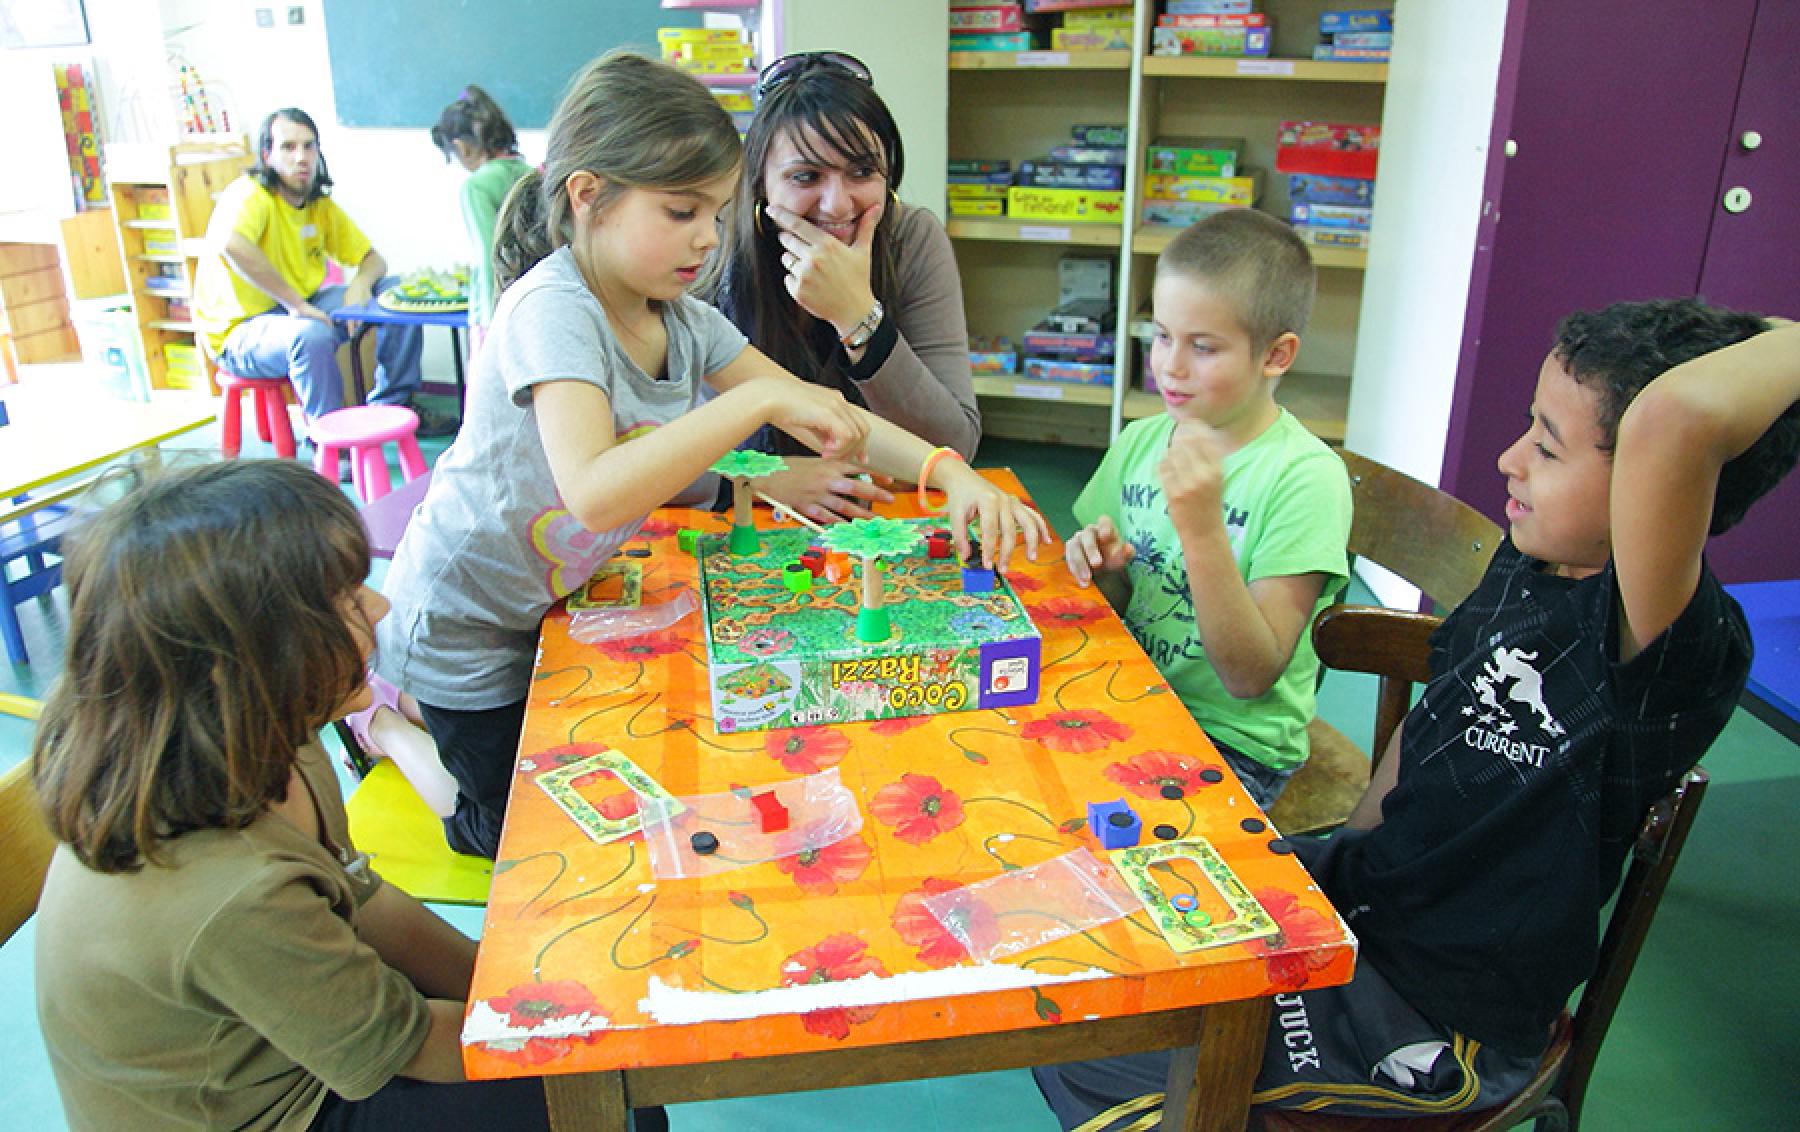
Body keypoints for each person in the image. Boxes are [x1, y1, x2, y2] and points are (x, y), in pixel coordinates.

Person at [1035, 302, 1800, 1126]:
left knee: (1114, 1052)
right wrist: (1334, 865)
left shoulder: (1662, 649)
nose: (1509, 460)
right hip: (1361, 905)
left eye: (1547, 447)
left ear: (1662, 485)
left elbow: (1675, 419)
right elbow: (1437, 719)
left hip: (1441, 1012)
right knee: (1078, 955)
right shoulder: (1536, 560)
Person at [377, 51, 1047, 864]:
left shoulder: (680, 319)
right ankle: (385, 726)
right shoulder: (552, 309)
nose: (706, 238)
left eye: (715, 212)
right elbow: (594, 492)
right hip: (463, 621)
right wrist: (757, 402)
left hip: (548, 599)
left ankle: (421, 720)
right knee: (506, 830)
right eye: (680, 212)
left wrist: (948, 471)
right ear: (589, 197)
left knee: (568, 774)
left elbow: (826, 413)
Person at [30, 460, 550, 1132]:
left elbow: (359, 897)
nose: (380, 605)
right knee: (583, 1097)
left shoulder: (267, 740)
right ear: (243, 663)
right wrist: (573, 1039)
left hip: (292, 1037)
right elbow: (402, 1041)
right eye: (342, 601)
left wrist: (510, 991)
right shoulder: (228, 889)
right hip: (264, 1111)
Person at [1062, 210, 1351, 808]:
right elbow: (1120, 605)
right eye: (1162, 335)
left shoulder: (1306, 479)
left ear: (1276, 355)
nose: (1170, 365)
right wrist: (1104, 566)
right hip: (1135, 694)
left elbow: (1249, 676)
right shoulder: (1142, 442)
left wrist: (1201, 530)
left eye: (1204, 347)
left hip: (1233, 744)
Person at [700, 51, 980, 524]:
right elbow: (656, 434)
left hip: (883, 518)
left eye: (861, 172)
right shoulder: (711, 245)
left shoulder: (912, 237)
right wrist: (763, 475)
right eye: (805, 177)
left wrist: (858, 317)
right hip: (742, 512)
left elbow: (955, 444)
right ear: (760, 183)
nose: (836, 204)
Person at [194, 107, 456, 436]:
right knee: (310, 335)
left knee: (396, 293)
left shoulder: (319, 206)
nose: (301, 157)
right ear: (267, 154)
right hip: (238, 332)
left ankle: (395, 402)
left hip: (302, 305)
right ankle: (332, 441)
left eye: (309, 146)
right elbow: (232, 246)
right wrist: (297, 306)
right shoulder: (251, 195)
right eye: (288, 147)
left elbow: (373, 260)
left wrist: (360, 284)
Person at [430, 85, 533, 341]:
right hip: (532, 305)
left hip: (496, 310)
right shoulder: (529, 173)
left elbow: (489, 255)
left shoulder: (476, 186)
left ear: (462, 147)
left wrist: (491, 325)